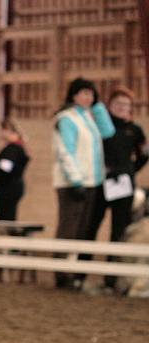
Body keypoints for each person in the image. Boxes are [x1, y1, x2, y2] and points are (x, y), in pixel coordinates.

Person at [81, 87, 148, 292]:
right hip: (100, 182)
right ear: (110, 106)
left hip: (123, 185)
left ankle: (111, 279)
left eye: (126, 104)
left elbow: (144, 154)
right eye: (118, 104)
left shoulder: (135, 131)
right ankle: (79, 274)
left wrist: (129, 170)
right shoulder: (100, 127)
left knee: (119, 229)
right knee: (91, 226)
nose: (122, 107)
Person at [51, 77, 115, 290]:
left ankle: (72, 272)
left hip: (91, 182)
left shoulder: (87, 117)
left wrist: (97, 106)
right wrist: (75, 179)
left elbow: (108, 131)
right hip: (73, 183)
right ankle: (62, 274)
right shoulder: (66, 119)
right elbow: (65, 151)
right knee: (69, 228)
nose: (88, 97)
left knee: (82, 230)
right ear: (73, 95)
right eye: (84, 93)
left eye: (91, 93)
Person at [0, 119, 29, 222]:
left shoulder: (12, 150)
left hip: (8, 190)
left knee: (6, 220)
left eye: (2, 130)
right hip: (10, 189)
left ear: (8, 131)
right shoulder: (16, 148)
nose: (1, 133)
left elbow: (4, 171)